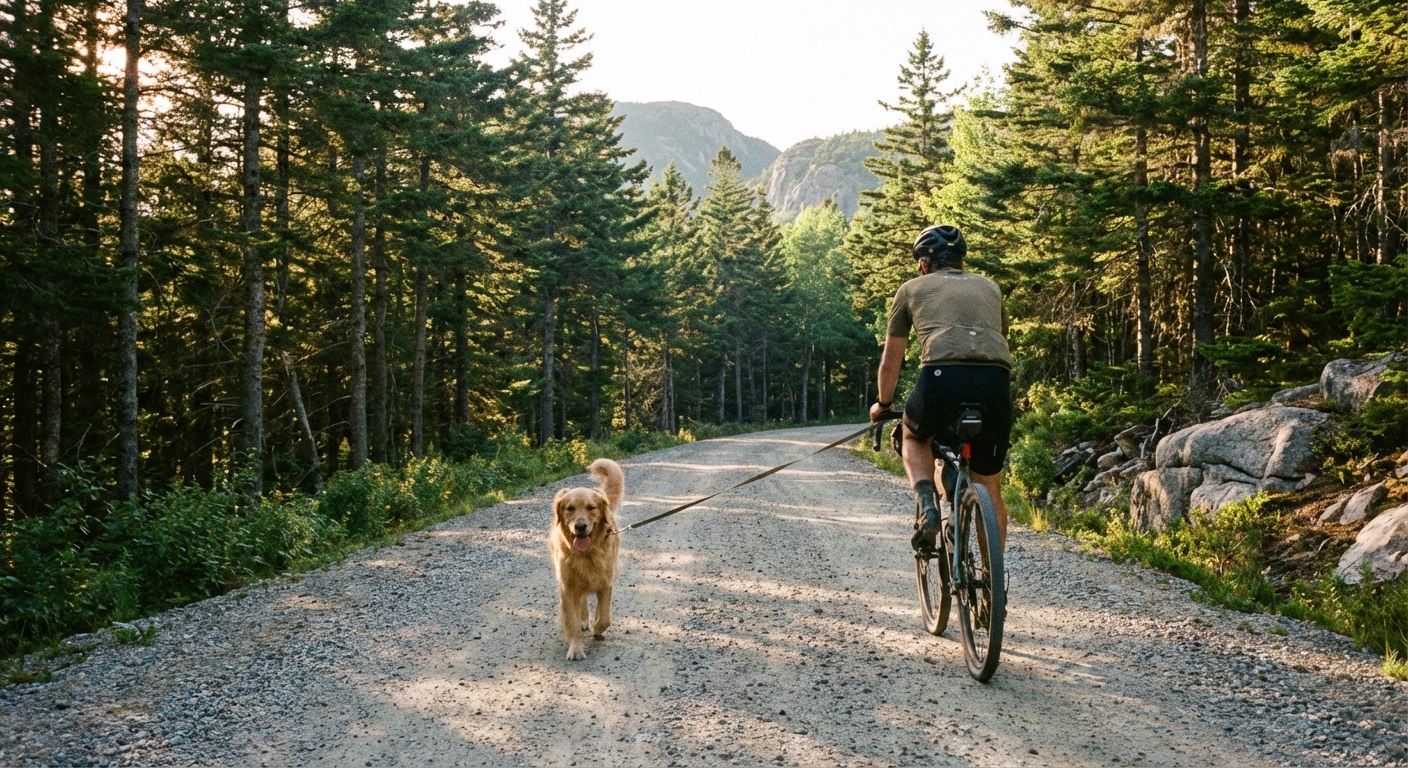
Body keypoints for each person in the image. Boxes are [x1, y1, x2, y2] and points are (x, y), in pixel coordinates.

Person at [869, 224, 1013, 552]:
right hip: (995, 380)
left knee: (914, 435)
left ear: (923, 264)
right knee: (989, 484)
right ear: (961, 260)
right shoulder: (990, 287)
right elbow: (1001, 336)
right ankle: (993, 587)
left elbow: (891, 361)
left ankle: (929, 508)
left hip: (940, 376)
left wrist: (883, 403)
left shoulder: (911, 289)